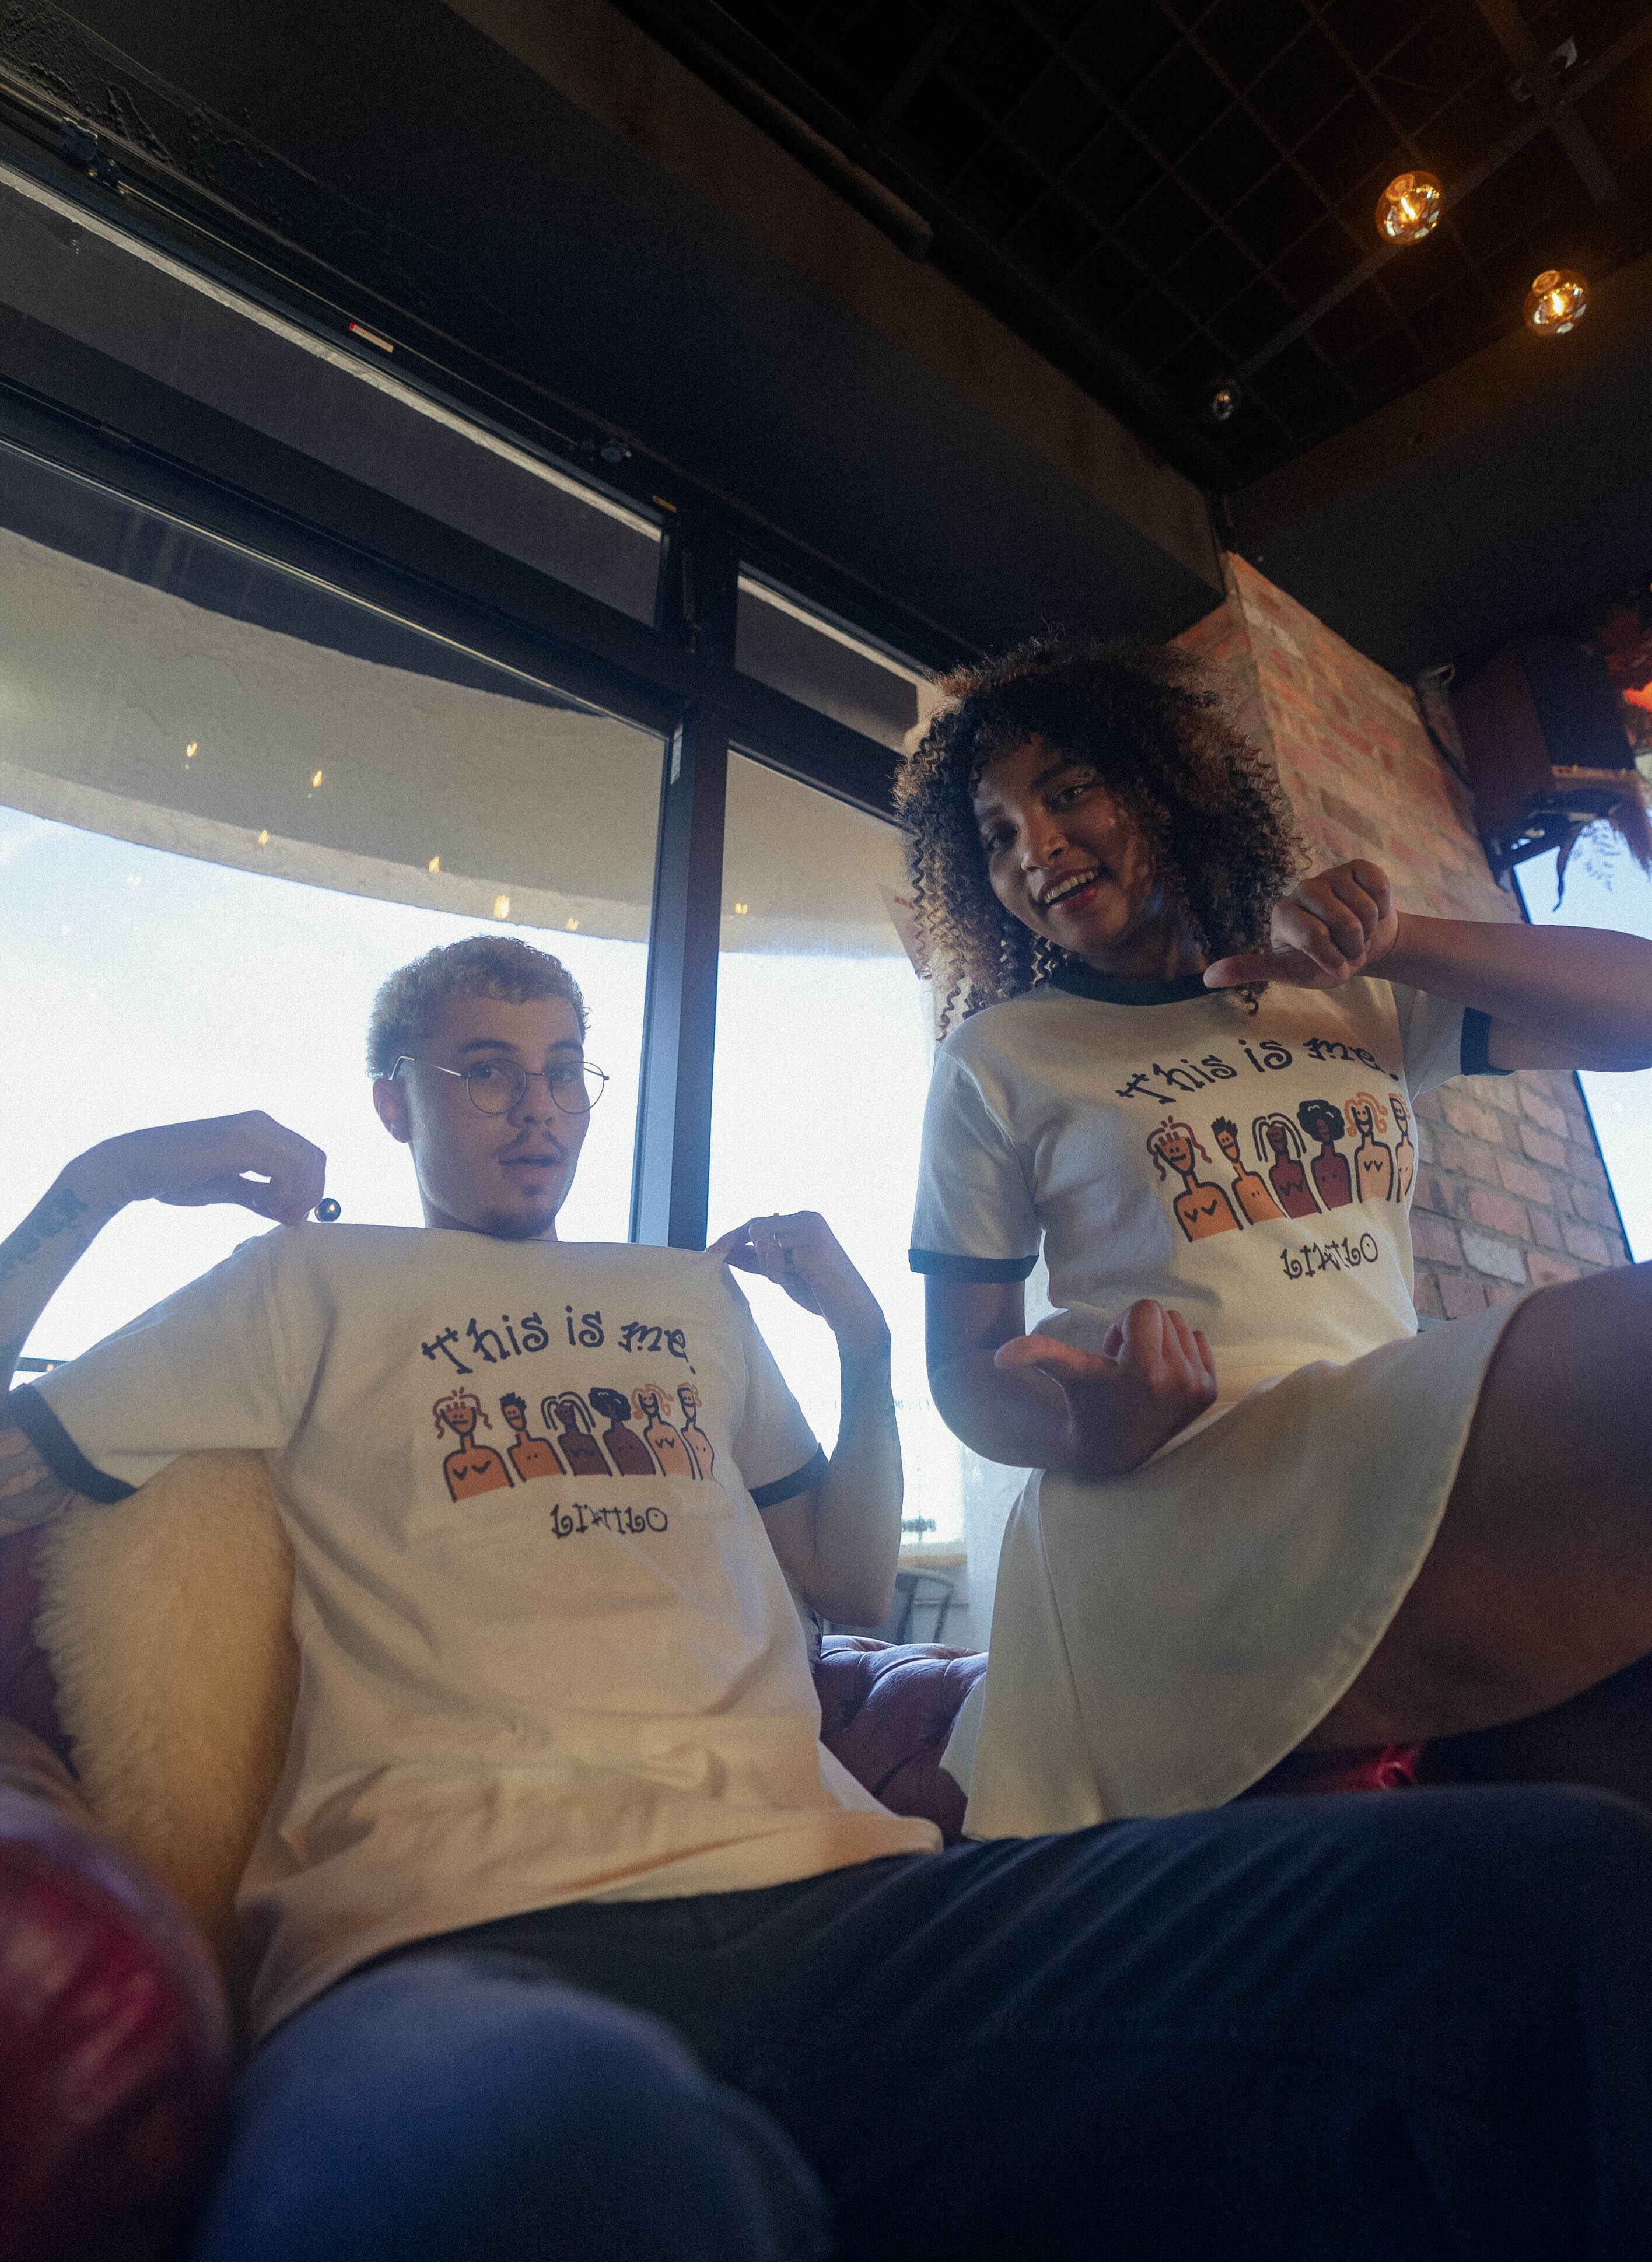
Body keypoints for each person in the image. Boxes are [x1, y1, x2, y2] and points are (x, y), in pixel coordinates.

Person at [5, 933, 1652, 2261]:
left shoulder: (686, 1299)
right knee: (568, 2167)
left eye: (564, 1069)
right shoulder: (308, 1283)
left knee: (1555, 1895)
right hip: (459, 1938)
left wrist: (864, 1347)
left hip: (850, 1915)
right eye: (483, 1069)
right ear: (393, 1100)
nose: (536, 1108)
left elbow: (842, 1583)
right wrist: (98, 1183)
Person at [897, 637, 1652, 1839]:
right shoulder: (999, 1058)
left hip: (1370, 1431)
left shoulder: (1339, 988)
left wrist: (1394, 940)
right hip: (1174, 1485)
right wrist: (1091, 1426)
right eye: (996, 834)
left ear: (1166, 784)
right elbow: (960, 1366)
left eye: (1070, 790)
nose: (1036, 847)